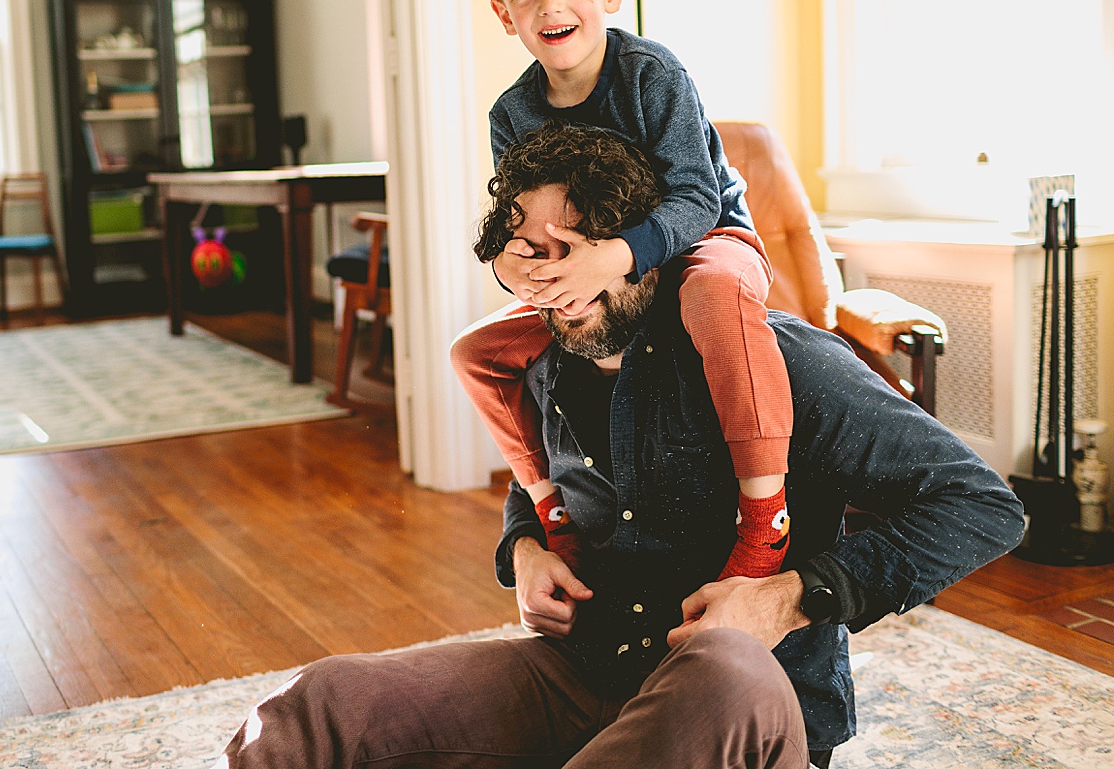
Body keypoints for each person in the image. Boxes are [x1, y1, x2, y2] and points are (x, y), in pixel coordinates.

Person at [218, 125, 1025, 769]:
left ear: (640, 247)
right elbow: (543, 479)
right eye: (530, 250)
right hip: (587, 677)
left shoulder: (782, 361)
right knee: (321, 705)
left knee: (725, 672)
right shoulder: (537, 359)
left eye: (573, 247)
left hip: (737, 701)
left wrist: (787, 599)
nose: (547, 277)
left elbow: (983, 507)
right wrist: (526, 547)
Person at [450, 0, 793, 582]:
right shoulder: (510, 114)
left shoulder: (652, 75)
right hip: (594, 274)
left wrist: (616, 255)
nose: (551, 5)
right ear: (501, 12)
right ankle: (553, 514)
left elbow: (696, 197)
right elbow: (517, 226)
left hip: (705, 243)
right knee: (475, 352)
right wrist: (519, 269)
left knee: (715, 295)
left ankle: (766, 516)